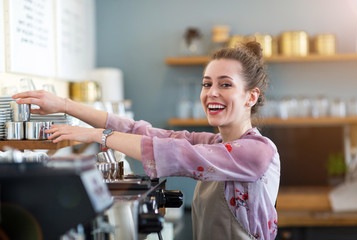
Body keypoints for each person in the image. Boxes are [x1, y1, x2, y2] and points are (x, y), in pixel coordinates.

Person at [13, 40, 280, 240]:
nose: (211, 93)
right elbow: (142, 132)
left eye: (225, 84)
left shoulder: (259, 152)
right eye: (207, 83)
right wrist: (65, 105)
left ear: (251, 96)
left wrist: (97, 136)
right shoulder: (213, 144)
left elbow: (177, 153)